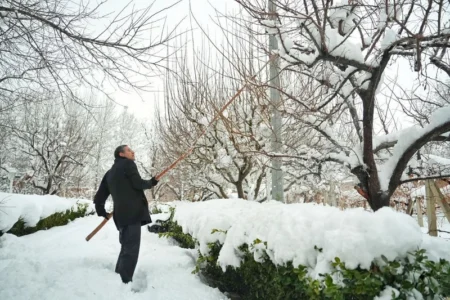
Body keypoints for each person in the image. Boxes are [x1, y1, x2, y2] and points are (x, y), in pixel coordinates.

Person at [93, 145, 159, 284]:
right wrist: (151, 183)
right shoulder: (128, 164)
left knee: (126, 247)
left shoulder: (109, 173)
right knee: (131, 249)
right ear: (121, 154)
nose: (133, 152)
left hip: (120, 216)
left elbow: (100, 195)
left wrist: (101, 210)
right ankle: (124, 281)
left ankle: (118, 276)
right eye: (129, 150)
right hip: (132, 213)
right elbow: (138, 183)